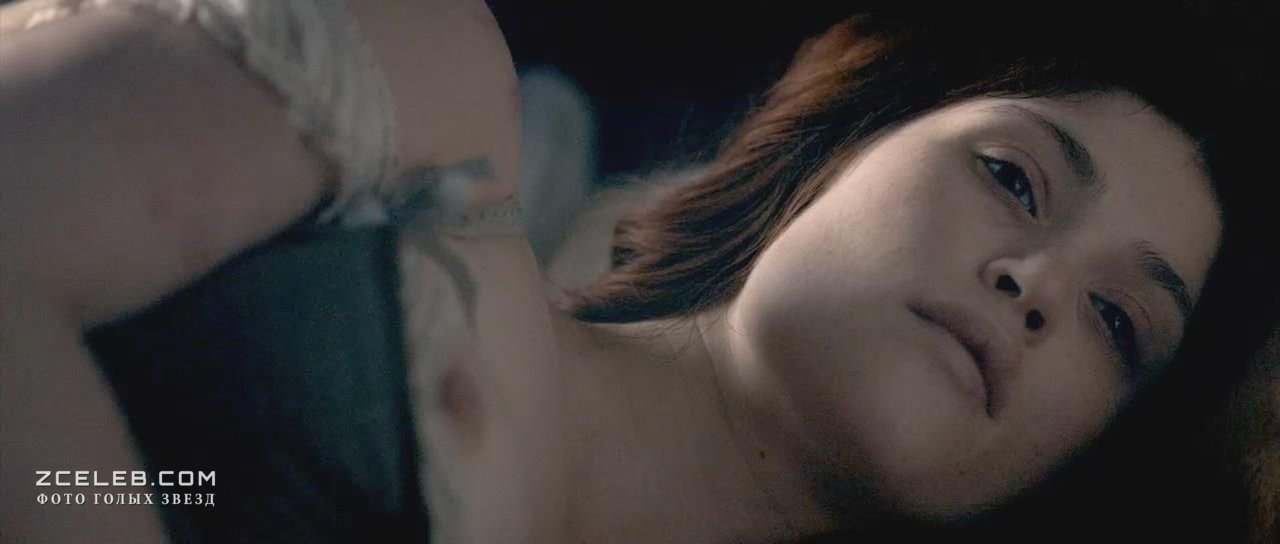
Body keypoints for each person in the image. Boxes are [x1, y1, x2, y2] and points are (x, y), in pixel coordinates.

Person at [1, 2, 1275, 544]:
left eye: (1116, 320)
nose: (1035, 284)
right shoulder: (438, 106)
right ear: (839, 147)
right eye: (1012, 177)